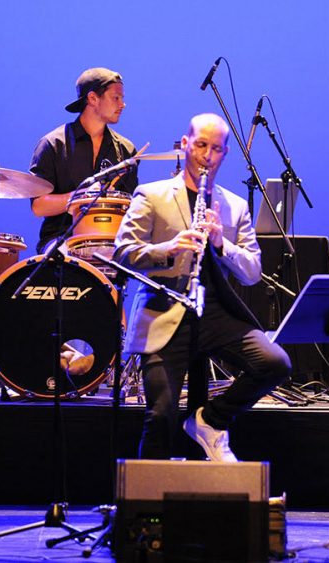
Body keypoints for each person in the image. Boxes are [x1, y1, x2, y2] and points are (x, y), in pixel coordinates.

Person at [113, 113, 291, 462]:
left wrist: (222, 243)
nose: (206, 156)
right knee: (161, 415)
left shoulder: (235, 206)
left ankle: (210, 420)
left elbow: (253, 272)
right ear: (184, 144)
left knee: (275, 363)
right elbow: (122, 252)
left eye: (216, 149)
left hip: (215, 315)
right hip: (165, 312)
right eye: (200, 145)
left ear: (224, 154)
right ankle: (145, 508)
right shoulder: (152, 195)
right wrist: (169, 249)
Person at [30, 67, 138, 254]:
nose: (123, 104)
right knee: (62, 255)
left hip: (110, 239)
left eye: (122, 98)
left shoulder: (126, 149)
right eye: (116, 98)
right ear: (93, 99)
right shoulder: (53, 144)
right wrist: (80, 197)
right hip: (62, 239)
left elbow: (131, 206)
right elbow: (38, 206)